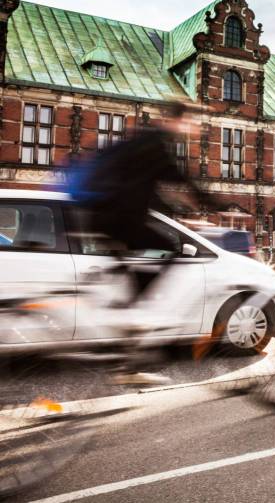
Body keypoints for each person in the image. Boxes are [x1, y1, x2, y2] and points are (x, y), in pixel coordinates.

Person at [69, 100, 214, 385]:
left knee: (137, 259)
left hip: (101, 215)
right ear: (179, 119)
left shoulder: (143, 141)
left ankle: (126, 362)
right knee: (172, 247)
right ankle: (134, 313)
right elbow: (181, 178)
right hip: (115, 218)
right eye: (192, 122)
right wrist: (213, 203)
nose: (194, 128)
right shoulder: (157, 143)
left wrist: (183, 211)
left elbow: (153, 193)